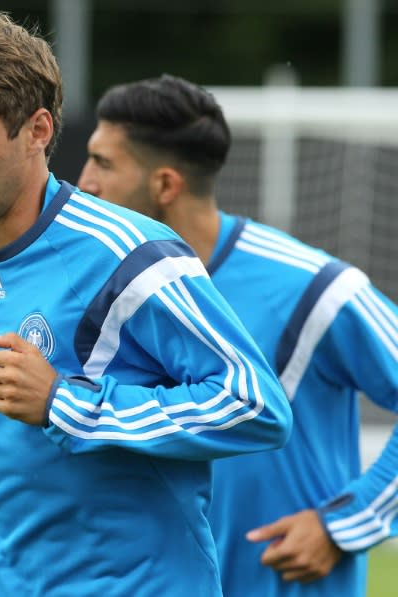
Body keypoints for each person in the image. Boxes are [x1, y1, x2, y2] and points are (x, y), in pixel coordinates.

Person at [0, 13, 292, 596]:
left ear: (37, 130)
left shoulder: (131, 254)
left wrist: (65, 403)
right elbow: (19, 442)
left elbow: (256, 404)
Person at [76, 74, 398, 597]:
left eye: (104, 164)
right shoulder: (100, 290)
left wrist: (344, 525)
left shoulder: (315, 288)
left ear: (165, 186)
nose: (83, 181)